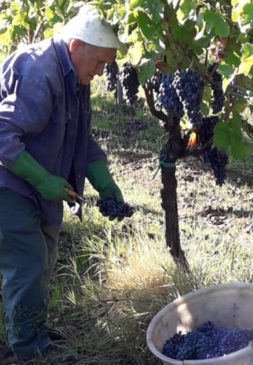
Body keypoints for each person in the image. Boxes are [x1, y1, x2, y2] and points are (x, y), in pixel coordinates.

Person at [0, 4, 124, 363]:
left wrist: (106, 184)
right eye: (99, 62)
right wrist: (43, 180)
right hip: (9, 180)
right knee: (28, 262)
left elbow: (80, 138)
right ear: (75, 47)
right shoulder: (42, 72)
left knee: (45, 257)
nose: (101, 72)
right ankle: (29, 352)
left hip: (35, 182)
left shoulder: (75, 77)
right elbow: (3, 134)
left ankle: (32, 330)